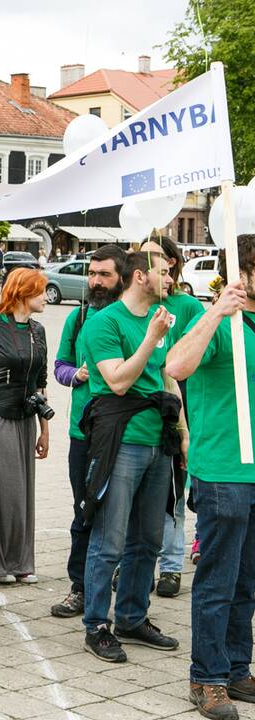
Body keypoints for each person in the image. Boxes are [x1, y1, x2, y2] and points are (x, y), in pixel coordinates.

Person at [166, 236, 255, 720]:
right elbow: (176, 365)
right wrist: (217, 311)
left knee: (248, 581)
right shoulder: (222, 323)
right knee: (218, 580)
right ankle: (207, 678)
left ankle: (238, 668)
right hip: (223, 469)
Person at [80, 250, 181, 664]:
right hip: (121, 441)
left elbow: (168, 378)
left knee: (149, 539)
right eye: (164, 272)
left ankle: (132, 617)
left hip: (158, 440)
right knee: (110, 540)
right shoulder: (103, 323)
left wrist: (183, 435)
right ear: (140, 277)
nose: (171, 278)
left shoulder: (161, 319)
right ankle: (96, 625)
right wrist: (150, 340)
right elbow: (118, 381)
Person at [50, 244, 126, 619]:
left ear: (122, 278)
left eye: (104, 275)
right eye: (92, 274)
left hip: (124, 433)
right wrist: (73, 374)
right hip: (84, 431)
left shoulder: (130, 318)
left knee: (123, 515)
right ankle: (78, 587)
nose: (95, 281)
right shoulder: (77, 318)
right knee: (84, 509)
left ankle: (122, 586)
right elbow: (60, 366)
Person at [0, 268, 50, 584]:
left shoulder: (38, 330)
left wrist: (45, 430)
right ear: (24, 292)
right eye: (41, 291)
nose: (46, 297)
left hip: (26, 419)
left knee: (22, 495)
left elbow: (40, 380)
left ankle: (20, 561)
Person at [138, 234, 204, 598]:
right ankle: (140, 566)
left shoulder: (189, 306)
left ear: (172, 264)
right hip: (143, 411)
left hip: (181, 405)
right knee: (142, 496)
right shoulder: (134, 306)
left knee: (176, 492)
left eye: (155, 259)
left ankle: (172, 566)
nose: (146, 266)